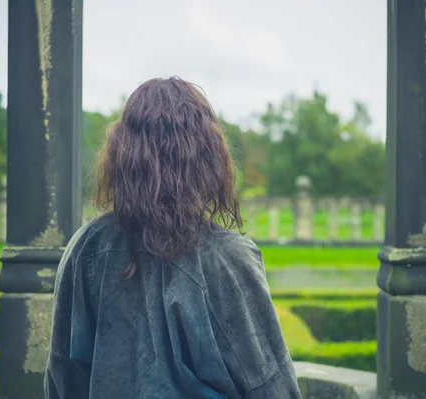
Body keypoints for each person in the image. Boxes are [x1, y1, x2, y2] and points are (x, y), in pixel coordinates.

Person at [44, 77, 301, 398]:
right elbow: (271, 385)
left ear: (122, 152)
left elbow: (63, 375)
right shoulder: (227, 257)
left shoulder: (86, 247)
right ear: (206, 155)